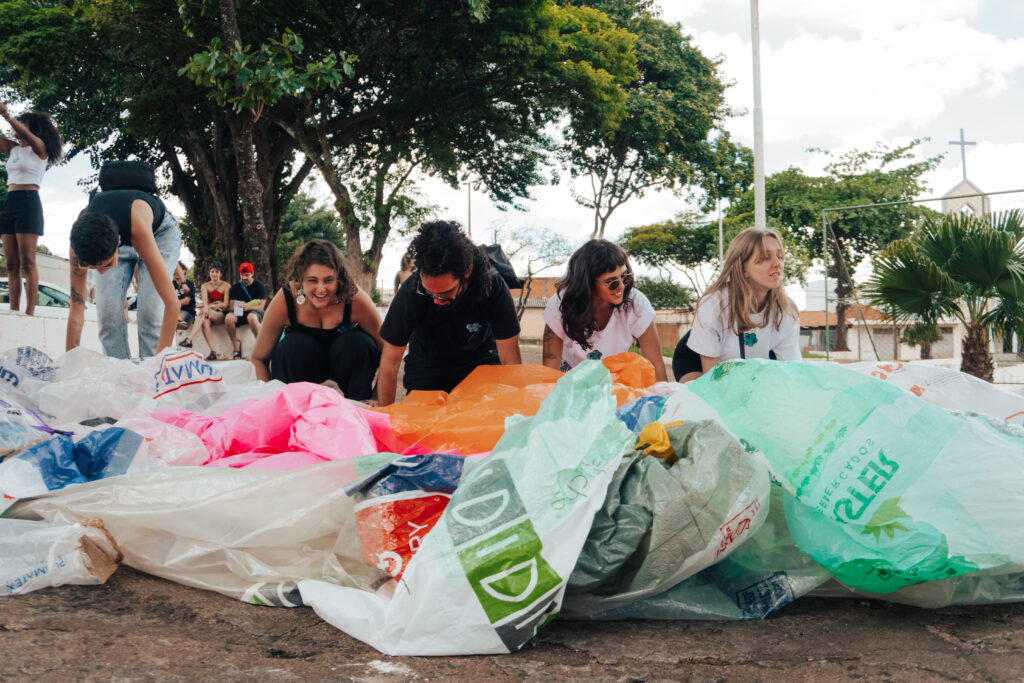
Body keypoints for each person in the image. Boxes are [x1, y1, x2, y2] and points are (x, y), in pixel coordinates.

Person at [378, 220, 522, 406]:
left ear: (467, 271)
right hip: (428, 369)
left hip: (480, 365)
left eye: (446, 293)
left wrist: (514, 414)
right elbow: (390, 363)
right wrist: (385, 415)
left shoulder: (493, 287)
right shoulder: (410, 292)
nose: (437, 300)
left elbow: (510, 361)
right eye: (429, 292)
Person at [250, 240, 383, 400]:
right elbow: (259, 358)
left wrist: (376, 397)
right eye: (312, 280)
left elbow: (387, 349)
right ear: (300, 280)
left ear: (339, 278)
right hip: (303, 364)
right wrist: (271, 400)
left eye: (328, 280)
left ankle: (359, 404)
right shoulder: (286, 300)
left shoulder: (354, 297)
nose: (321, 289)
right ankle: (289, 403)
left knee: (360, 343)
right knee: (290, 348)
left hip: (344, 364)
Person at [67, 173, 181, 359]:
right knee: (108, 316)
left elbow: (172, 304)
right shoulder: (78, 245)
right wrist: (69, 365)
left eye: (107, 265)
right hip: (112, 234)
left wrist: (158, 368)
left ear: (118, 243)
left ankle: (152, 368)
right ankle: (119, 371)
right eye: (95, 268)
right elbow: (76, 310)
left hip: (159, 233)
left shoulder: (138, 230)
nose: (101, 272)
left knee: (151, 314)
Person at [673, 226, 801, 382]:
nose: (777, 264)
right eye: (765, 257)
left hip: (751, 362)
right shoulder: (713, 305)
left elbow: (791, 371)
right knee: (705, 394)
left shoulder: (786, 311)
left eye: (780, 256)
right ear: (742, 268)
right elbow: (712, 381)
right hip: (697, 360)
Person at [542, 239, 668, 381]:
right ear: (588, 283)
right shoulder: (560, 304)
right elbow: (550, 369)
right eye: (612, 282)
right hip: (571, 376)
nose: (621, 286)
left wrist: (664, 394)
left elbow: (655, 364)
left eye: (625, 277)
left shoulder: (636, 302)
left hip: (614, 377)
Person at [0, 103, 63, 316]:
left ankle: (29, 312)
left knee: (28, 262)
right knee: (11, 263)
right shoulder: (13, 149)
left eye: (22, 124)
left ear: (32, 127)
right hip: (10, 201)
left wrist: (6, 115)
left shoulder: (40, 148)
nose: (16, 128)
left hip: (28, 202)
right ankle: (14, 310)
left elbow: (26, 134)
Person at [180, 262, 231, 360]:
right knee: (204, 322)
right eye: (212, 271)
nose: (214, 274)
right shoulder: (205, 286)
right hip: (208, 313)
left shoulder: (226, 286)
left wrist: (211, 305)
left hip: (221, 314)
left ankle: (189, 339)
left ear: (221, 273)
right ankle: (213, 352)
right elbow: (204, 303)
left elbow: (225, 304)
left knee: (205, 310)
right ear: (209, 272)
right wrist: (210, 306)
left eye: (217, 272)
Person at [224, 261, 267, 360]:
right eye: (242, 275)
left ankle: (260, 345)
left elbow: (261, 307)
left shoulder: (259, 286)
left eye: (247, 275)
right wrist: (240, 306)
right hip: (240, 312)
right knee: (228, 318)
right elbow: (231, 306)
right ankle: (236, 345)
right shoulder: (235, 287)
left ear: (252, 274)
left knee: (251, 317)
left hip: (254, 312)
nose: (244, 278)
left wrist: (248, 307)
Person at [173, 261, 196, 329]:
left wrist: (171, 304)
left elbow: (186, 301)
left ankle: (180, 322)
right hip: (173, 311)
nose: (175, 271)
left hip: (187, 312)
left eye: (178, 270)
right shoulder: (171, 284)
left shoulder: (189, 284)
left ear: (184, 271)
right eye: (174, 269)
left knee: (178, 316)